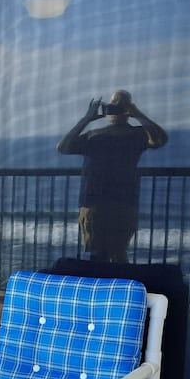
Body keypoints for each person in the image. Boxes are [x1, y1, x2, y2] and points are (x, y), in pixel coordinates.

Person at [58, 89, 168, 263]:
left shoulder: (137, 134)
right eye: (112, 104)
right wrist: (87, 118)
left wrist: (137, 114)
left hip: (122, 202)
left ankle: (119, 289)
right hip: (94, 202)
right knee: (97, 254)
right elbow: (63, 147)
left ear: (128, 109)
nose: (115, 108)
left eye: (121, 105)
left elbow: (160, 139)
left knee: (118, 254)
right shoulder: (94, 135)